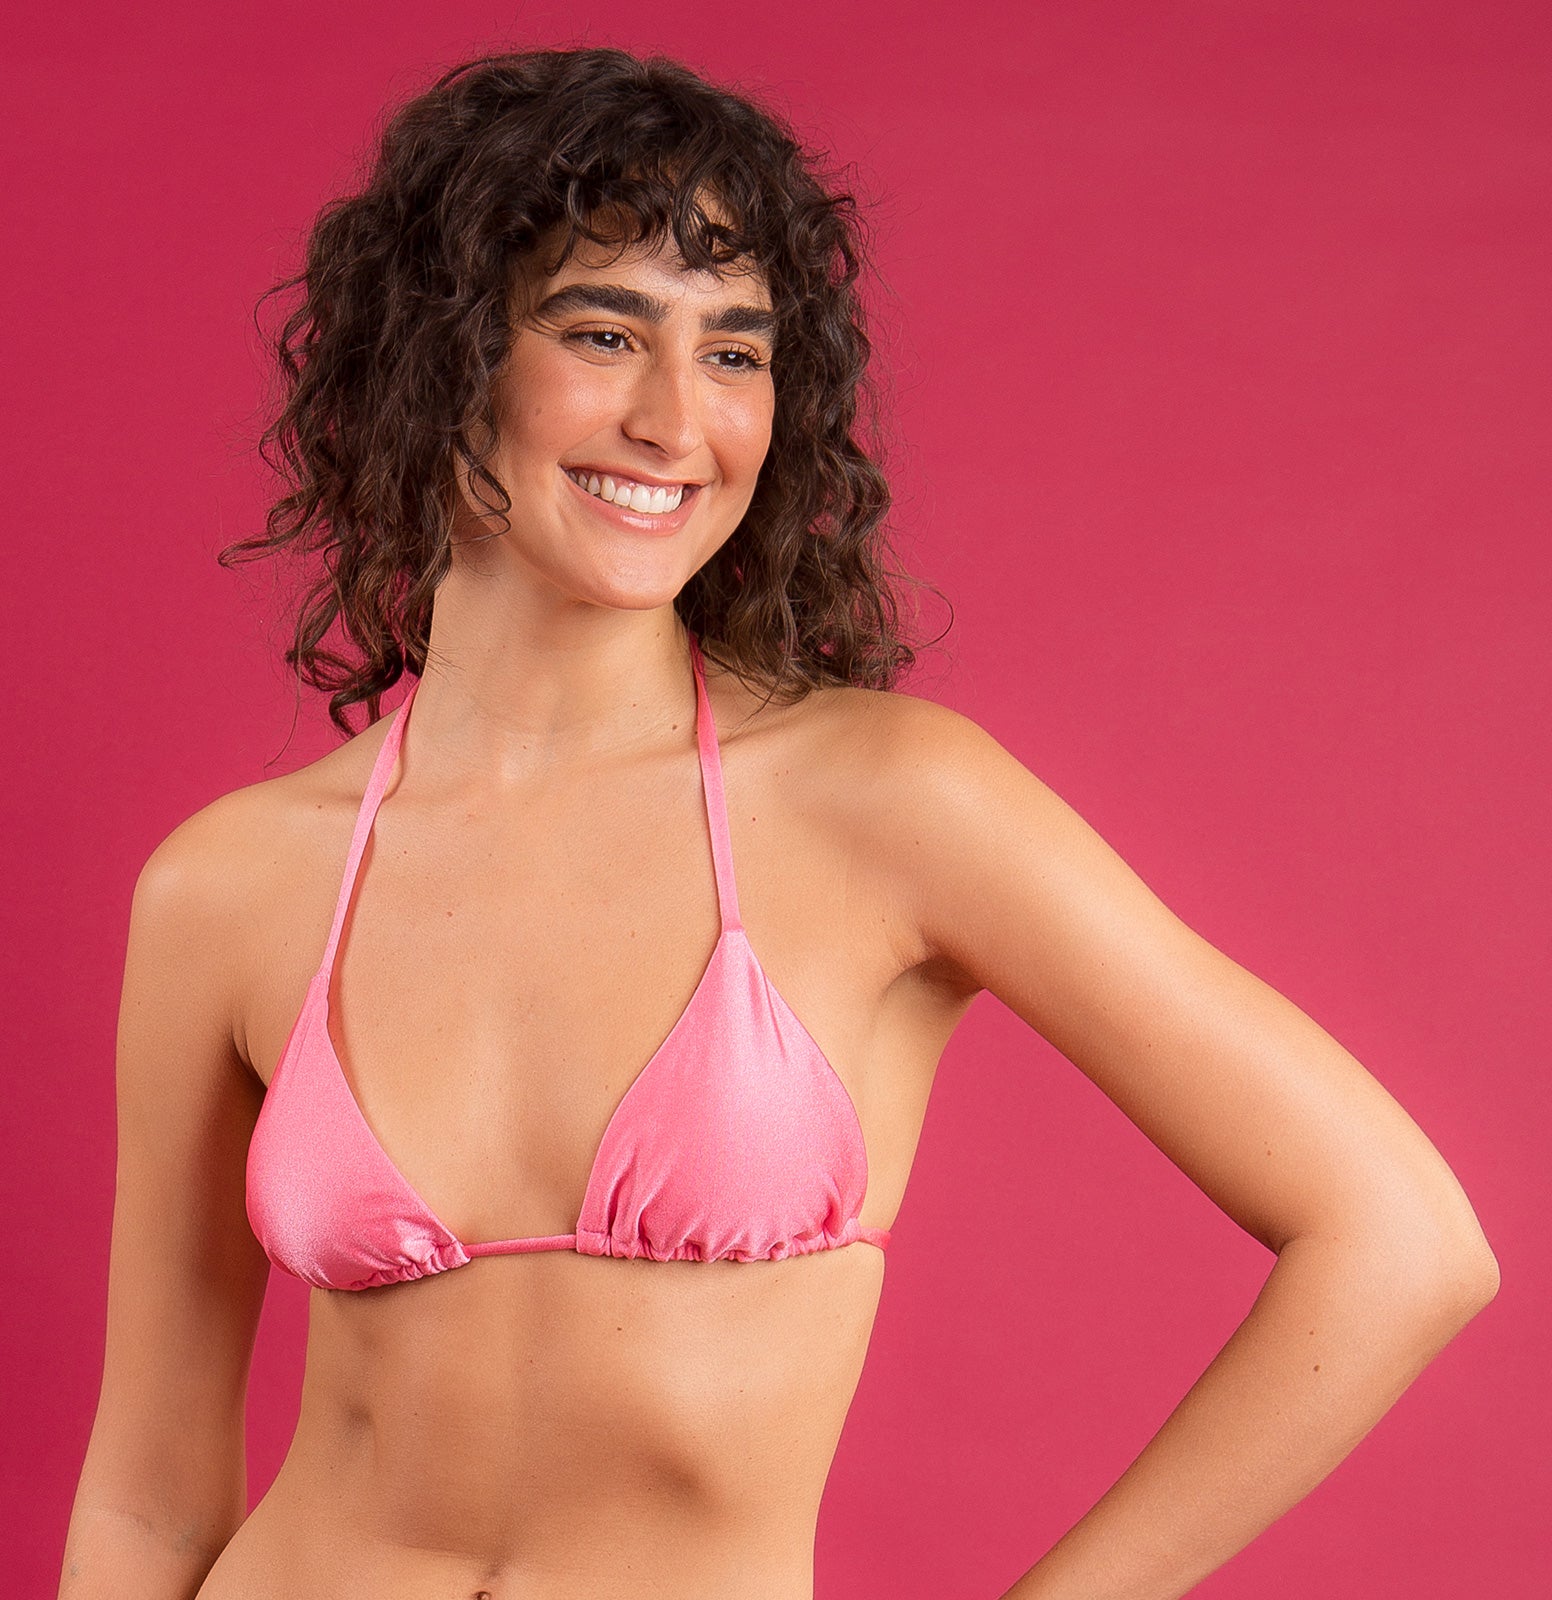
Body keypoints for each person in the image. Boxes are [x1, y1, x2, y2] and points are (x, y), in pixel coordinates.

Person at [57, 44, 1498, 1600]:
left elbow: (1401, 1242)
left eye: (735, 352)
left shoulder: (891, 803)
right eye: (604, 333)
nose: (678, 420)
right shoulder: (229, 885)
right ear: (439, 356)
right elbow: (148, 1501)